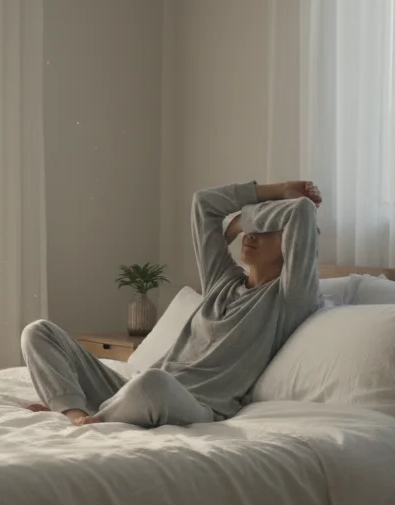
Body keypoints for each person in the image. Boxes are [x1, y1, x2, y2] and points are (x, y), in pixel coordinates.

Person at [21, 180, 322, 427]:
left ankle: (97, 420)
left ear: (290, 245)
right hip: (131, 392)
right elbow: (204, 203)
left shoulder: (289, 297)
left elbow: (302, 213)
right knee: (39, 331)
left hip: (191, 404)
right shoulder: (222, 281)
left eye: (266, 228)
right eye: (249, 229)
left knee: (155, 383)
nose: (250, 235)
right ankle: (76, 414)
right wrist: (278, 190)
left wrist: (244, 219)